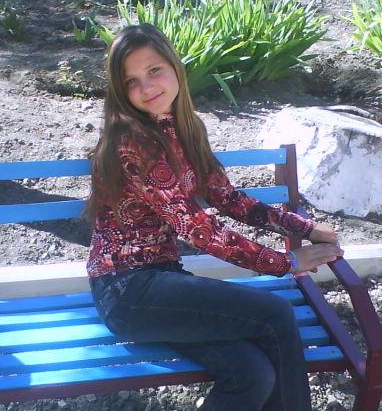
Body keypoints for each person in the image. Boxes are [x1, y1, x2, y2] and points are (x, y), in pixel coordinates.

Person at [83, 23, 343, 411]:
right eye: (131, 81)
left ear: (175, 66)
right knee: (274, 314)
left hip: (163, 280)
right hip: (127, 292)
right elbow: (196, 227)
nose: (146, 87)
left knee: (250, 373)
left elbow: (228, 198)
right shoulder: (132, 141)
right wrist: (285, 262)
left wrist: (303, 228)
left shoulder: (185, 127)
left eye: (154, 70)